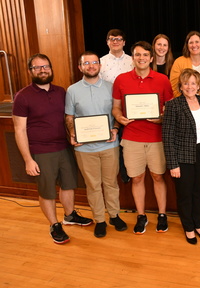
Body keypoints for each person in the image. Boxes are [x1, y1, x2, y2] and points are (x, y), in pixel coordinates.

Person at [12, 53, 93, 244]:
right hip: (40, 151)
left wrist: (74, 135)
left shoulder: (61, 92)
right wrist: (28, 160)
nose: (42, 70)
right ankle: (54, 224)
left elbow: (68, 119)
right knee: (47, 191)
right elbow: (19, 130)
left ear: (51, 68)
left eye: (46, 66)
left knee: (69, 184)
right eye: (37, 67)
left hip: (63, 147)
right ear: (30, 71)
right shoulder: (23, 96)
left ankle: (70, 215)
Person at [112, 41, 174, 234]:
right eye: (138, 55)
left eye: (145, 55)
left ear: (151, 58)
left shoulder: (162, 79)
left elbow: (170, 110)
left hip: (157, 138)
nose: (141, 58)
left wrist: (161, 119)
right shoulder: (121, 79)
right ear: (133, 58)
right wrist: (118, 116)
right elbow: (115, 106)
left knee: (158, 176)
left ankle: (162, 215)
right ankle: (141, 215)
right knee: (137, 178)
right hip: (131, 138)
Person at [65, 51, 127, 238]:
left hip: (109, 145)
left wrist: (115, 129)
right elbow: (70, 116)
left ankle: (114, 216)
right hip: (84, 148)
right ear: (80, 67)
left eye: (94, 62)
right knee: (93, 186)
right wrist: (72, 132)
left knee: (111, 183)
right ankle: (99, 219)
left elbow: (117, 112)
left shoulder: (111, 87)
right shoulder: (72, 90)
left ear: (100, 66)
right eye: (86, 63)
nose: (91, 66)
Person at [163, 68, 200, 245]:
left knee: (199, 193)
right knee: (185, 194)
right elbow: (168, 136)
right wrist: (173, 164)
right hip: (182, 157)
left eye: (193, 83)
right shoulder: (173, 105)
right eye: (186, 83)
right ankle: (188, 227)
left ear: (199, 85)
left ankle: (198, 224)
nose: (189, 86)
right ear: (180, 85)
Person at [98, 29, 133, 184]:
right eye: (112, 39)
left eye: (119, 39)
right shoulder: (100, 62)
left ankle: (128, 175)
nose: (115, 41)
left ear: (124, 42)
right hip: (107, 110)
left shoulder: (133, 61)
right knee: (112, 146)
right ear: (107, 42)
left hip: (130, 111)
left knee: (128, 145)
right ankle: (117, 179)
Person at [170, 31, 200, 98]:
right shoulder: (179, 62)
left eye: (197, 42)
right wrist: (186, 102)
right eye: (191, 43)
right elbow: (174, 87)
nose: (194, 45)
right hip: (182, 104)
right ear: (187, 45)